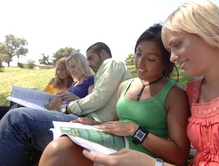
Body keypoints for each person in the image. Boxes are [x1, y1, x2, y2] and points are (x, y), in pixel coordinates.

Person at [77, 0, 219, 166]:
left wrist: (152, 163)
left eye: (178, 44)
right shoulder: (195, 91)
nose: (173, 57)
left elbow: (180, 153)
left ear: (209, 30)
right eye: (170, 50)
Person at [38, 24, 190, 166]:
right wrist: (95, 125)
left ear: (166, 62)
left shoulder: (174, 94)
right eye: (138, 54)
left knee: (60, 151)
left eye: (150, 59)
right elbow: (117, 125)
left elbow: (179, 155)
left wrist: (136, 131)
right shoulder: (125, 86)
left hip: (141, 158)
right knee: (58, 148)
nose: (140, 63)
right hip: (111, 147)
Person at [0, 42, 132, 166]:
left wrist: (65, 108)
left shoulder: (111, 63)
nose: (89, 63)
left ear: (103, 54)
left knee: (16, 119)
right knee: (15, 111)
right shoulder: (100, 75)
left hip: (90, 121)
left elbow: (97, 98)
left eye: (91, 58)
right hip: (88, 119)